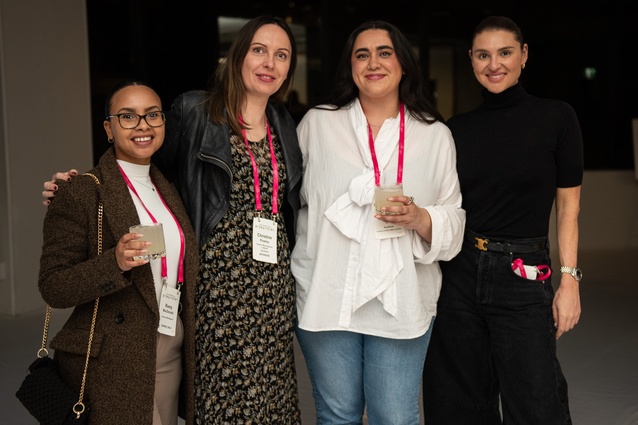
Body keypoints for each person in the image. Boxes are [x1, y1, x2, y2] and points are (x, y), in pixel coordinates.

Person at [42, 15, 302, 424]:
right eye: (259, 50)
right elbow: (140, 162)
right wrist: (79, 185)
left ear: (289, 68)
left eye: (282, 55)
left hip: (271, 294)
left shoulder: (285, 124)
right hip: (217, 294)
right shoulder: (196, 111)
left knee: (274, 405)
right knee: (223, 409)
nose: (270, 62)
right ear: (237, 56)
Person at [291, 20, 465, 424]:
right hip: (327, 290)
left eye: (384, 52)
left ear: (403, 63)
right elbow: (290, 200)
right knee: (338, 415)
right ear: (350, 67)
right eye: (362, 54)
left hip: (402, 298)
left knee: (396, 416)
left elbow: (453, 217)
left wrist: (421, 217)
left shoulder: (434, 135)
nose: (374, 63)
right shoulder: (317, 124)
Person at [422, 16, 583, 425]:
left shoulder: (557, 118)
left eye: (505, 52)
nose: (494, 64)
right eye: (483, 55)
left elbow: (569, 208)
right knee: (457, 403)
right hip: (459, 272)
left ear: (524, 56)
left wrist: (569, 280)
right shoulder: (455, 129)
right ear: (472, 61)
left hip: (523, 274)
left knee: (536, 403)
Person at [38, 81, 199, 425]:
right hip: (113, 360)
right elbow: (53, 286)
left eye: (153, 115)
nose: (143, 125)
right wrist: (114, 263)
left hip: (170, 345)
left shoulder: (169, 188)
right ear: (109, 128)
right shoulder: (81, 191)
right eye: (128, 116)